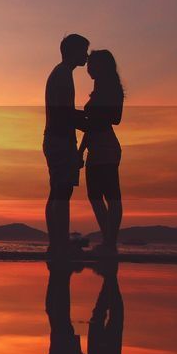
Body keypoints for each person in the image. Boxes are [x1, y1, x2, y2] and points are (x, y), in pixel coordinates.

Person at [44, 34, 90, 258]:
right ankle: (59, 244)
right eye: (84, 51)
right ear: (73, 51)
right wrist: (89, 120)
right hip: (60, 139)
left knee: (57, 192)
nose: (87, 56)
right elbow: (63, 112)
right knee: (62, 192)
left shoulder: (61, 73)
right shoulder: (62, 74)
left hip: (56, 138)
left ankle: (56, 244)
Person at [79, 49, 124, 254]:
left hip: (105, 146)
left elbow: (114, 118)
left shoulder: (110, 89)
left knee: (110, 195)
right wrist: (80, 151)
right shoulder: (98, 90)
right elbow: (91, 125)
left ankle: (110, 241)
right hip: (96, 147)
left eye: (91, 64)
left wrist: (84, 118)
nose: (88, 68)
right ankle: (109, 239)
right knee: (95, 195)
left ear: (101, 66)